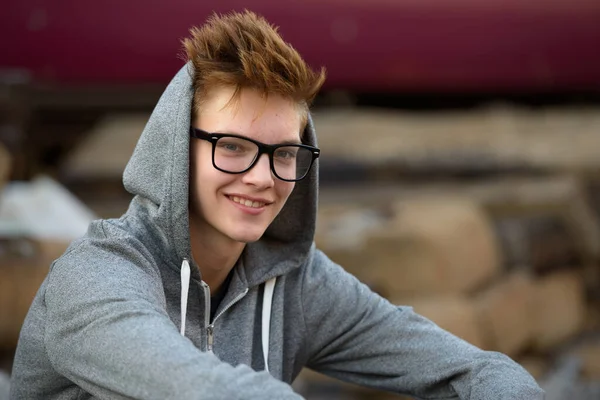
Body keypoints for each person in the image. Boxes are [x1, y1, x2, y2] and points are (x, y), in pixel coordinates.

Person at [10, 10, 544, 400]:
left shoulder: (296, 283)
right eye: (233, 148)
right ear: (177, 149)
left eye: (284, 153)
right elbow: (196, 388)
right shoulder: (96, 279)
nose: (263, 178)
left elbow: (468, 370)